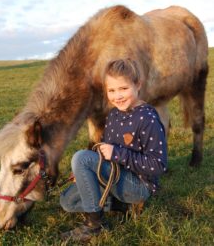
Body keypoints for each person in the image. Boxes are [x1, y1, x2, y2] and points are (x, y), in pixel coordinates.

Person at [60, 59, 168, 242]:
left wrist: (118, 154)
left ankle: (95, 225)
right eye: (112, 90)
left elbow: (158, 165)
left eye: (123, 89)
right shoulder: (114, 115)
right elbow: (104, 151)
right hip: (113, 176)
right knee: (67, 201)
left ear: (138, 85)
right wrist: (84, 171)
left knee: (81, 157)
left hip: (138, 185)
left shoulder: (147, 118)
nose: (117, 96)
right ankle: (122, 205)